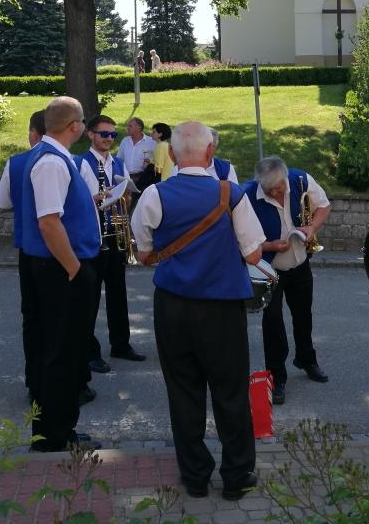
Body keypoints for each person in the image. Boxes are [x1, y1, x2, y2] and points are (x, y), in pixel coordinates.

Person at [132, 122, 265, 501]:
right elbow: (254, 253)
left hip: (173, 305)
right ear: (211, 153)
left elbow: (144, 253)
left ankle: (195, 477)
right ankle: (237, 476)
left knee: (183, 391)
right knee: (230, 391)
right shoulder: (231, 193)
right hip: (222, 307)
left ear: (173, 154)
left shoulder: (154, 194)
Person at [19, 97, 102, 452]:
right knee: (62, 352)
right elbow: (49, 223)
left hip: (55, 267)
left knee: (57, 349)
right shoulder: (52, 162)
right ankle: (56, 433)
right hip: (60, 270)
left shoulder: (51, 157)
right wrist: (74, 268)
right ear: (74, 126)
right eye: (82, 121)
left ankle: (53, 430)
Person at [244, 156, 332, 406]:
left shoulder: (300, 180)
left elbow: (324, 206)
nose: (275, 192)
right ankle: (276, 376)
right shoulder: (247, 194)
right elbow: (240, 238)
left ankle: (306, 359)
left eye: (278, 187)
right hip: (269, 269)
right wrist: (270, 246)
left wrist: (312, 228)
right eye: (269, 189)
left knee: (303, 315)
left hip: (300, 262)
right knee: (272, 323)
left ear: (285, 177)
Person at [74, 115, 146, 374]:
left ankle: (121, 344)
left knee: (118, 294)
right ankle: (89, 352)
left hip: (114, 236)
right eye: (104, 134)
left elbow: (125, 194)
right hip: (92, 238)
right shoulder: (80, 163)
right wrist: (96, 198)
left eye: (113, 135)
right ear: (91, 134)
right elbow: (74, 201)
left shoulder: (118, 163)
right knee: (90, 298)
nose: (108, 139)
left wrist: (123, 197)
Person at [0, 109, 46, 401]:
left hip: (28, 249)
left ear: (33, 133)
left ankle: (34, 383)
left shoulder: (16, 163)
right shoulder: (69, 161)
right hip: (60, 251)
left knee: (33, 319)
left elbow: (1, 204)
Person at [168, 126, 238, 182]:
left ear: (214, 148)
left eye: (209, 146)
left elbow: (235, 194)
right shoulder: (179, 169)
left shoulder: (226, 169)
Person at [117, 117, 156, 183]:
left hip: (143, 177)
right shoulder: (125, 141)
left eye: (130, 126)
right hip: (126, 177)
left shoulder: (151, 142)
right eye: (128, 126)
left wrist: (150, 161)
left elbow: (159, 160)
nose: (127, 128)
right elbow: (119, 159)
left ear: (139, 127)